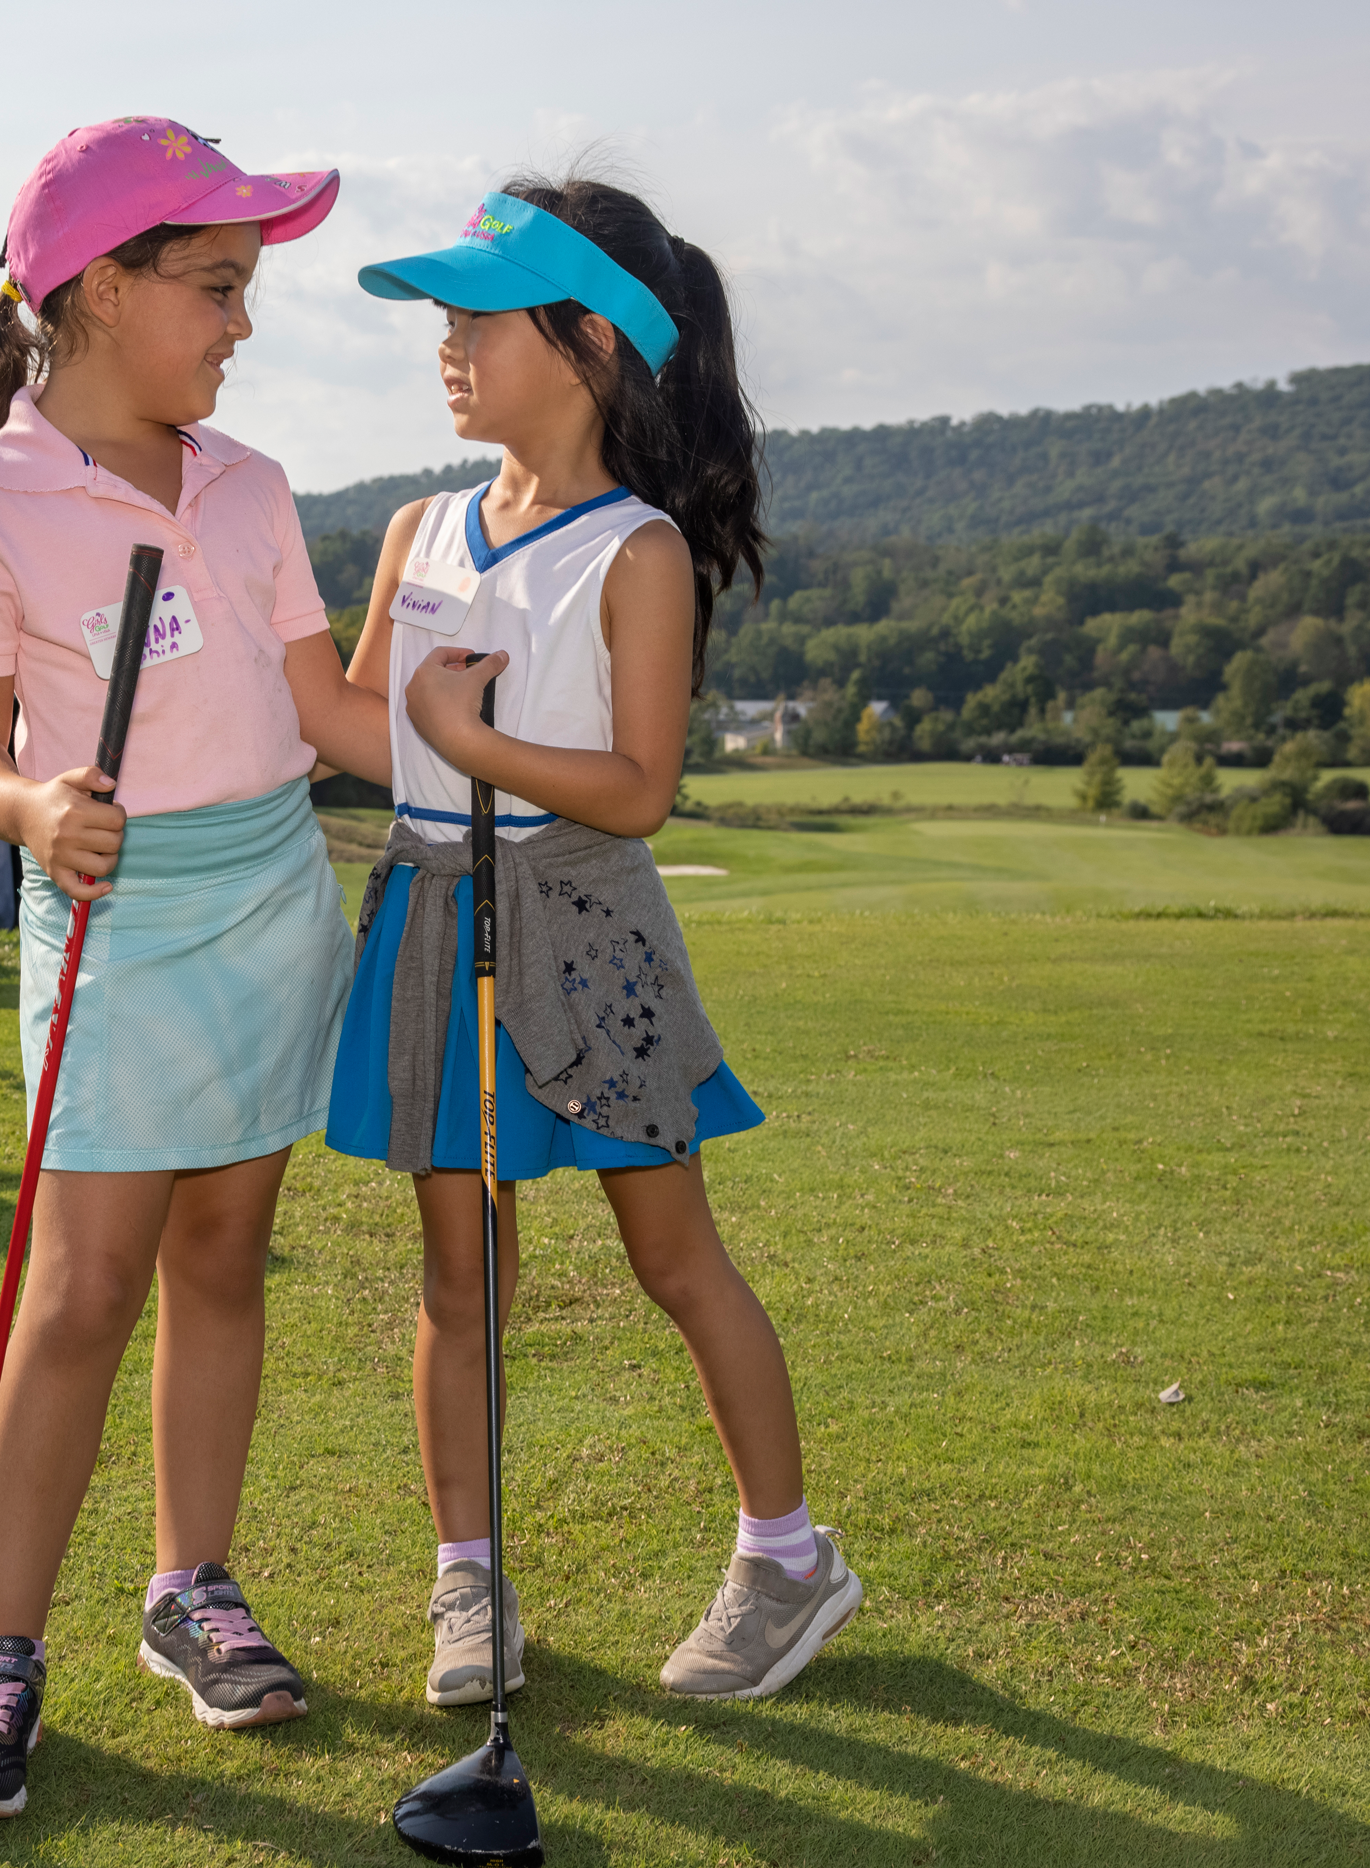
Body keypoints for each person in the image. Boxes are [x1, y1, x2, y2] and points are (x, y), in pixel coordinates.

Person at [325, 177, 863, 1709]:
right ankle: (471, 1587)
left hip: (583, 915)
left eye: (477, 318)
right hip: (431, 910)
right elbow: (363, 727)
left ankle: (788, 1559)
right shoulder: (420, 527)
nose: (447, 344)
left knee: (670, 1251)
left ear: (590, 343)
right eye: (444, 320)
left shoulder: (636, 552)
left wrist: (458, 734)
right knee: (456, 1278)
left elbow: (637, 792)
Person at [0, 117, 380, 1822]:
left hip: (266, 896)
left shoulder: (249, 486)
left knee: (224, 1254)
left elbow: (326, 712)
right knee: (81, 1288)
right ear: (104, 290)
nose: (242, 322)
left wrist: (494, 754)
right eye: (217, 288)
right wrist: (31, 803)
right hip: (110, 909)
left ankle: (193, 1583)